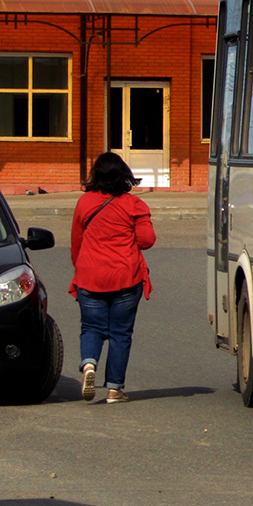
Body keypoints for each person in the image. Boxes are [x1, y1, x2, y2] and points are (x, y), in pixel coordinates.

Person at [70, 152, 156, 404]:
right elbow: (147, 241)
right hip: (125, 277)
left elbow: (77, 242)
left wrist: (81, 268)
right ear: (124, 176)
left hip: (89, 275)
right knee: (120, 333)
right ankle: (114, 389)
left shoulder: (84, 202)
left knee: (91, 327)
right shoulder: (134, 205)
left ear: (95, 175)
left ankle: (88, 365)